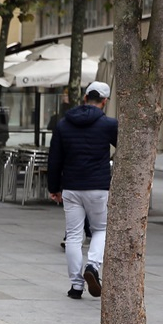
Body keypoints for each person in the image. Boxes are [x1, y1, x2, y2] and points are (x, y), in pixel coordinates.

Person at [47, 81, 118, 300]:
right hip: (98, 187)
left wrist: (54, 188)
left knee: (74, 237)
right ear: (104, 102)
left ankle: (76, 286)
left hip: (71, 187)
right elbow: (124, 151)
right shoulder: (109, 125)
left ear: (85, 97)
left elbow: (55, 159)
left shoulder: (63, 124)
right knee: (101, 230)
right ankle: (93, 266)